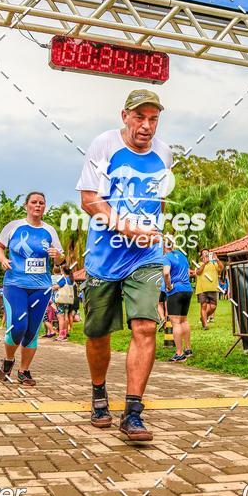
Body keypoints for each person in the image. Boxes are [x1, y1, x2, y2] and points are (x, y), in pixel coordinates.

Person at [77, 89, 172, 442]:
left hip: (145, 257)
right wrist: (128, 227)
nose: (146, 126)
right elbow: (90, 200)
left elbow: (158, 202)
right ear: (125, 116)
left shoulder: (164, 153)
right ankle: (99, 392)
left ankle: (133, 412)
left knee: (146, 327)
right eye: (140, 117)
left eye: (153, 119)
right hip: (105, 256)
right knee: (97, 334)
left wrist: (156, 234)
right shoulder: (104, 145)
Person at [0, 191, 63, 386]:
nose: (38, 205)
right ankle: (8, 360)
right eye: (34, 202)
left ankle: (24, 371)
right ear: (26, 206)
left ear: (44, 207)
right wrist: (3, 259)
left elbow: (61, 259)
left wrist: (56, 255)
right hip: (15, 284)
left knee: (32, 330)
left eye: (41, 203)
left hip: (41, 287)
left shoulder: (49, 231)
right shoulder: (14, 226)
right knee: (18, 326)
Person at [162, 239, 193, 364]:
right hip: (187, 289)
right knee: (184, 320)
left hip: (176, 290)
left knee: (175, 323)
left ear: (164, 246)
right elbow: (187, 272)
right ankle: (188, 349)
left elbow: (166, 273)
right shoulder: (182, 256)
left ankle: (179, 353)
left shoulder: (167, 257)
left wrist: (168, 286)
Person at [195, 249, 220, 329]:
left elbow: (221, 268)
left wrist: (217, 260)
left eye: (207, 253)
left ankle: (203, 317)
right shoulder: (199, 264)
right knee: (204, 306)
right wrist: (204, 264)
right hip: (202, 289)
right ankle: (205, 324)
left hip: (213, 288)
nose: (206, 254)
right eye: (204, 253)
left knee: (213, 307)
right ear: (201, 256)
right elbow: (198, 272)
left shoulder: (214, 264)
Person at [53, 265, 74, 340]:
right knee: (65, 317)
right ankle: (65, 333)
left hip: (61, 300)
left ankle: (61, 335)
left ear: (63, 271)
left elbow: (56, 287)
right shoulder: (71, 279)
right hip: (67, 300)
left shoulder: (63, 279)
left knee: (60, 317)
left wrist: (52, 287)